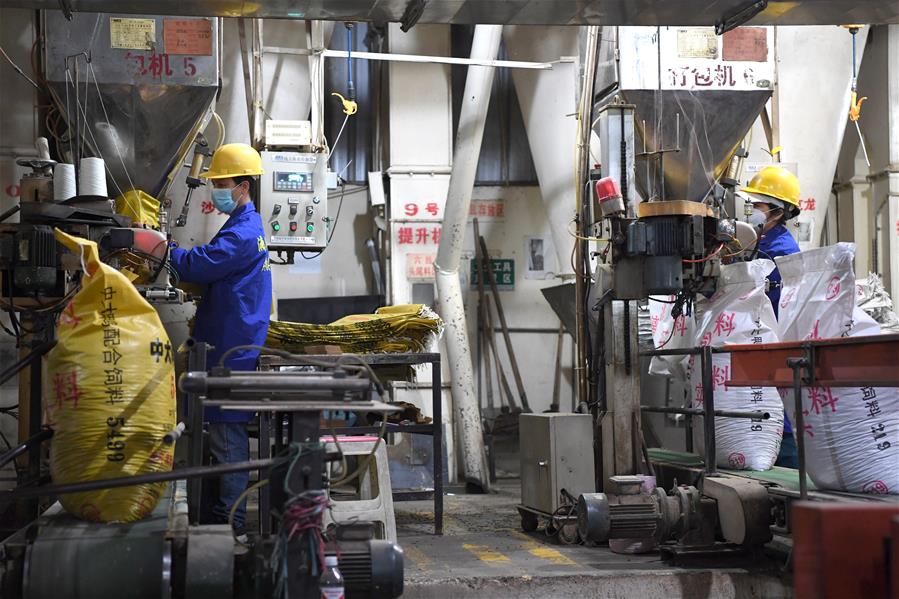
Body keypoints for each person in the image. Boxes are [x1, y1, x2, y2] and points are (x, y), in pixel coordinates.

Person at [169, 143, 272, 531]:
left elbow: (204, 264)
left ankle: (231, 527)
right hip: (231, 339)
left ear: (243, 186)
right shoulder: (245, 225)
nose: (217, 191)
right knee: (221, 438)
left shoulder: (243, 234)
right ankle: (221, 517)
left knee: (228, 441)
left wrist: (163, 250)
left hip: (233, 347)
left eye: (222, 183)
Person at [742, 165, 801, 468]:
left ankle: (788, 474)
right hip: (761, 343)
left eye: (757, 205)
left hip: (775, 343)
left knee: (781, 413)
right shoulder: (761, 241)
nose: (750, 209)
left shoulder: (779, 249)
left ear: (777, 210)